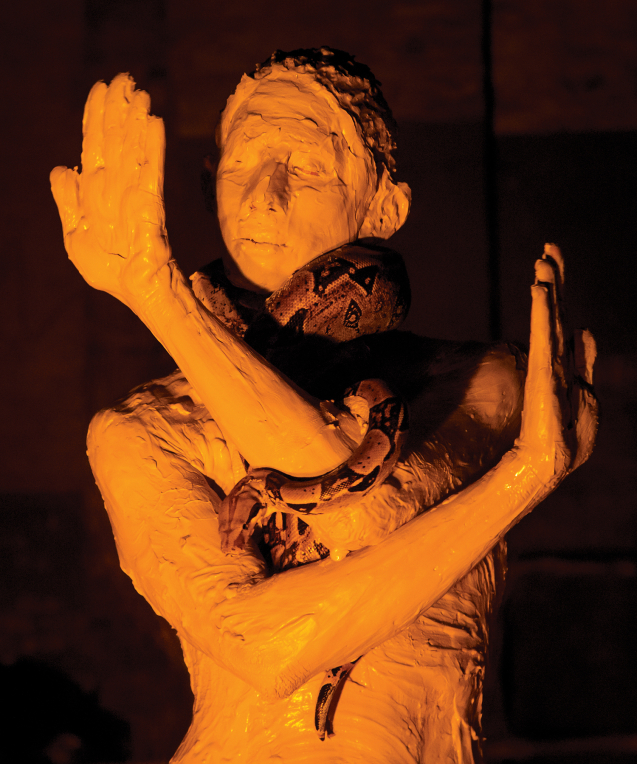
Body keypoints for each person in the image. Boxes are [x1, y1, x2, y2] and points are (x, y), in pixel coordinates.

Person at [51, 48, 597, 764]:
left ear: (386, 207)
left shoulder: (479, 380)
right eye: (241, 165)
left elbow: (370, 510)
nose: (263, 196)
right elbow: (268, 647)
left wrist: (163, 301)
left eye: (306, 168)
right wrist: (528, 473)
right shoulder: (142, 427)